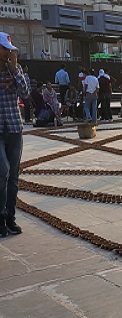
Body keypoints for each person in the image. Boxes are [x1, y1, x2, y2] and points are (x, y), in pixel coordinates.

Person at [0, 32, 30, 236]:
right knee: (3, 171)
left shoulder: (13, 70)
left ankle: (10, 217)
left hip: (14, 127)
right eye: (5, 48)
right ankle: (1, 216)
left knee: (13, 177)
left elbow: (25, 93)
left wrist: (15, 66)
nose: (8, 52)